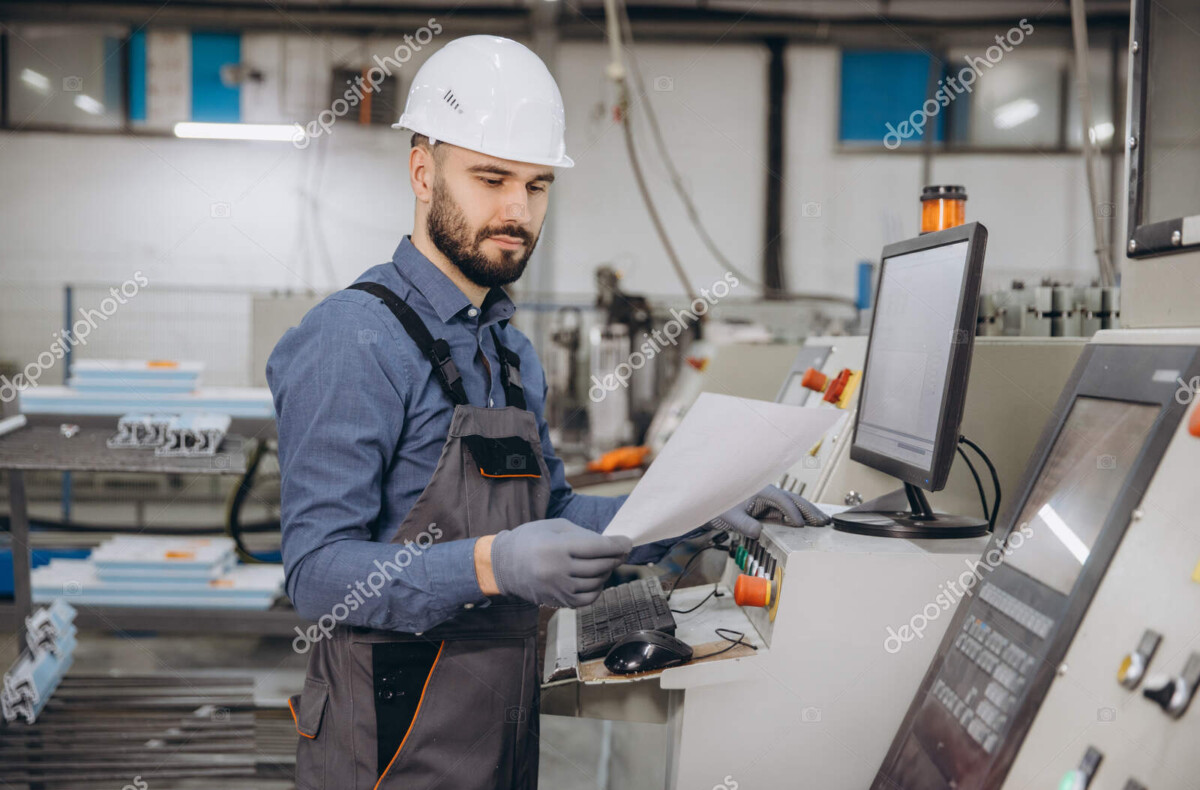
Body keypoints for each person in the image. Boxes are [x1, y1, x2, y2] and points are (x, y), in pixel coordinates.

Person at [266, 34, 826, 790]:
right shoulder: (353, 339)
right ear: (423, 170)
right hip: (385, 751)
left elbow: (554, 513)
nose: (514, 209)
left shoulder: (507, 350)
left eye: (535, 186)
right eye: (491, 178)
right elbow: (317, 571)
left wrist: (690, 510)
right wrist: (494, 564)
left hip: (499, 740)